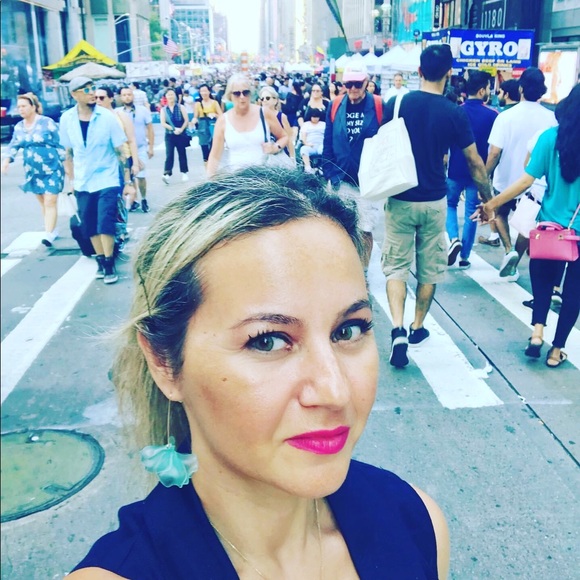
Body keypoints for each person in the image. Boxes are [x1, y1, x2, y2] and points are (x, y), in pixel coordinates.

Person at [67, 166, 449, 579]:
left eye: (348, 331)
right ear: (164, 363)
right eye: (267, 341)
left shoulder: (417, 524)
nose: (334, 390)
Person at [381, 44, 491, 368]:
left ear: (418, 71)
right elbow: (474, 161)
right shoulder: (454, 112)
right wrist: (489, 199)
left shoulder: (397, 103)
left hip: (400, 196)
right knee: (430, 268)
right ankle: (417, 327)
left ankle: (397, 328)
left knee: (396, 267)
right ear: (449, 73)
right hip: (434, 200)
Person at [475, 85, 580, 368]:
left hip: (550, 229)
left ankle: (537, 333)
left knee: (542, 279)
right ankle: (556, 350)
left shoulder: (550, 138)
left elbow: (525, 181)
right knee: (574, 292)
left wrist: (492, 204)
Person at [486, 67, 557, 279]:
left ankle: (509, 250)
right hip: (537, 183)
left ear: (521, 88)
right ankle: (515, 257)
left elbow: (494, 153)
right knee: (528, 222)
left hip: (506, 179)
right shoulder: (551, 118)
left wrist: (485, 175)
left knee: (500, 213)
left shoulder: (505, 117)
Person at [59, 76, 131, 284]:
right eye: (86, 89)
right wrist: (71, 180)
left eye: (93, 88)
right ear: (74, 95)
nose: (92, 92)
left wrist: (127, 181)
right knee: (88, 224)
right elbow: (68, 152)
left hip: (107, 178)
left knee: (104, 221)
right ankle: (100, 258)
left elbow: (120, 150)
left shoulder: (107, 117)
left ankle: (108, 262)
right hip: (83, 180)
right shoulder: (67, 119)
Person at [322, 63, 386, 269]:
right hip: (341, 179)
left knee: (365, 229)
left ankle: (363, 271)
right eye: (348, 84)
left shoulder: (378, 105)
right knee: (342, 229)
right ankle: (346, 269)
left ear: (366, 83)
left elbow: (386, 141)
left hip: (368, 182)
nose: (352, 89)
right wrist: (329, 173)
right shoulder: (335, 105)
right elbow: (328, 141)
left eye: (357, 84)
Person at [446, 70, 498, 269]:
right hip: (478, 171)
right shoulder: (492, 115)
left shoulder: (456, 111)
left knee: (450, 204)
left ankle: (453, 238)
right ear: (482, 90)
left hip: (455, 168)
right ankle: (465, 257)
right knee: (472, 213)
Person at [1, 92, 64, 247]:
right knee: (43, 202)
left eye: (24, 106)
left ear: (33, 107)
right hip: (33, 170)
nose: (21, 109)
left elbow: (60, 142)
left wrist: (67, 164)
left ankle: (48, 234)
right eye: (19, 107)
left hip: (52, 167)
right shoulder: (19, 127)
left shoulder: (47, 122)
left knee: (50, 200)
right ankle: (52, 228)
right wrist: (6, 161)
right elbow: (14, 145)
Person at [206, 74, 289, 177]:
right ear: (230, 96)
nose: (242, 97)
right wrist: (210, 178)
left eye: (245, 92)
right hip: (237, 180)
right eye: (237, 93)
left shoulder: (264, 113)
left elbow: (284, 136)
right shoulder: (223, 120)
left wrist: (275, 147)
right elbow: (214, 156)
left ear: (250, 93)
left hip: (265, 179)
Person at [120, 86, 154, 213]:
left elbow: (150, 129)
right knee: (130, 176)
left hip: (140, 147)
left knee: (141, 175)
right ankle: (134, 200)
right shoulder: (118, 113)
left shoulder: (142, 110)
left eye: (129, 94)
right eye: (124, 95)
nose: (127, 97)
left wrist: (151, 147)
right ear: (121, 97)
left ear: (133, 96)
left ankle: (144, 198)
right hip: (125, 149)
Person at [160, 88, 190, 184]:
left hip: (181, 134)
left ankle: (184, 172)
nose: (170, 96)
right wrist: (173, 129)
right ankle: (167, 173)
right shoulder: (164, 110)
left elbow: (186, 120)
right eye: (168, 95)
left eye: (172, 94)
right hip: (169, 135)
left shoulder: (181, 107)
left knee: (182, 153)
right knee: (169, 154)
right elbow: (163, 123)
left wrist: (181, 129)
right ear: (166, 97)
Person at [259, 85, 295, 162]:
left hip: (280, 153)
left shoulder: (281, 116)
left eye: (267, 98)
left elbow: (289, 139)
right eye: (262, 99)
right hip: (262, 154)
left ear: (275, 100)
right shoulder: (258, 116)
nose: (264, 100)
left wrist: (292, 158)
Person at [191, 83, 222, 166]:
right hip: (202, 130)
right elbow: (195, 117)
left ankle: (213, 169)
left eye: (205, 91)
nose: (204, 93)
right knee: (205, 153)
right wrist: (193, 121)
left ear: (209, 92)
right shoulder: (197, 104)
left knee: (213, 151)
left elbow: (221, 116)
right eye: (202, 91)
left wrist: (215, 115)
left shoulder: (214, 103)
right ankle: (208, 171)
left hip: (213, 129)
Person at [299, 107, 325, 173]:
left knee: (323, 150)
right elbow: (303, 136)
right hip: (310, 145)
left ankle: (322, 167)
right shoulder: (306, 125)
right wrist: (306, 144)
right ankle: (308, 168)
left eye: (317, 117)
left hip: (321, 144)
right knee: (303, 149)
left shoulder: (323, 124)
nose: (315, 118)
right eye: (313, 117)